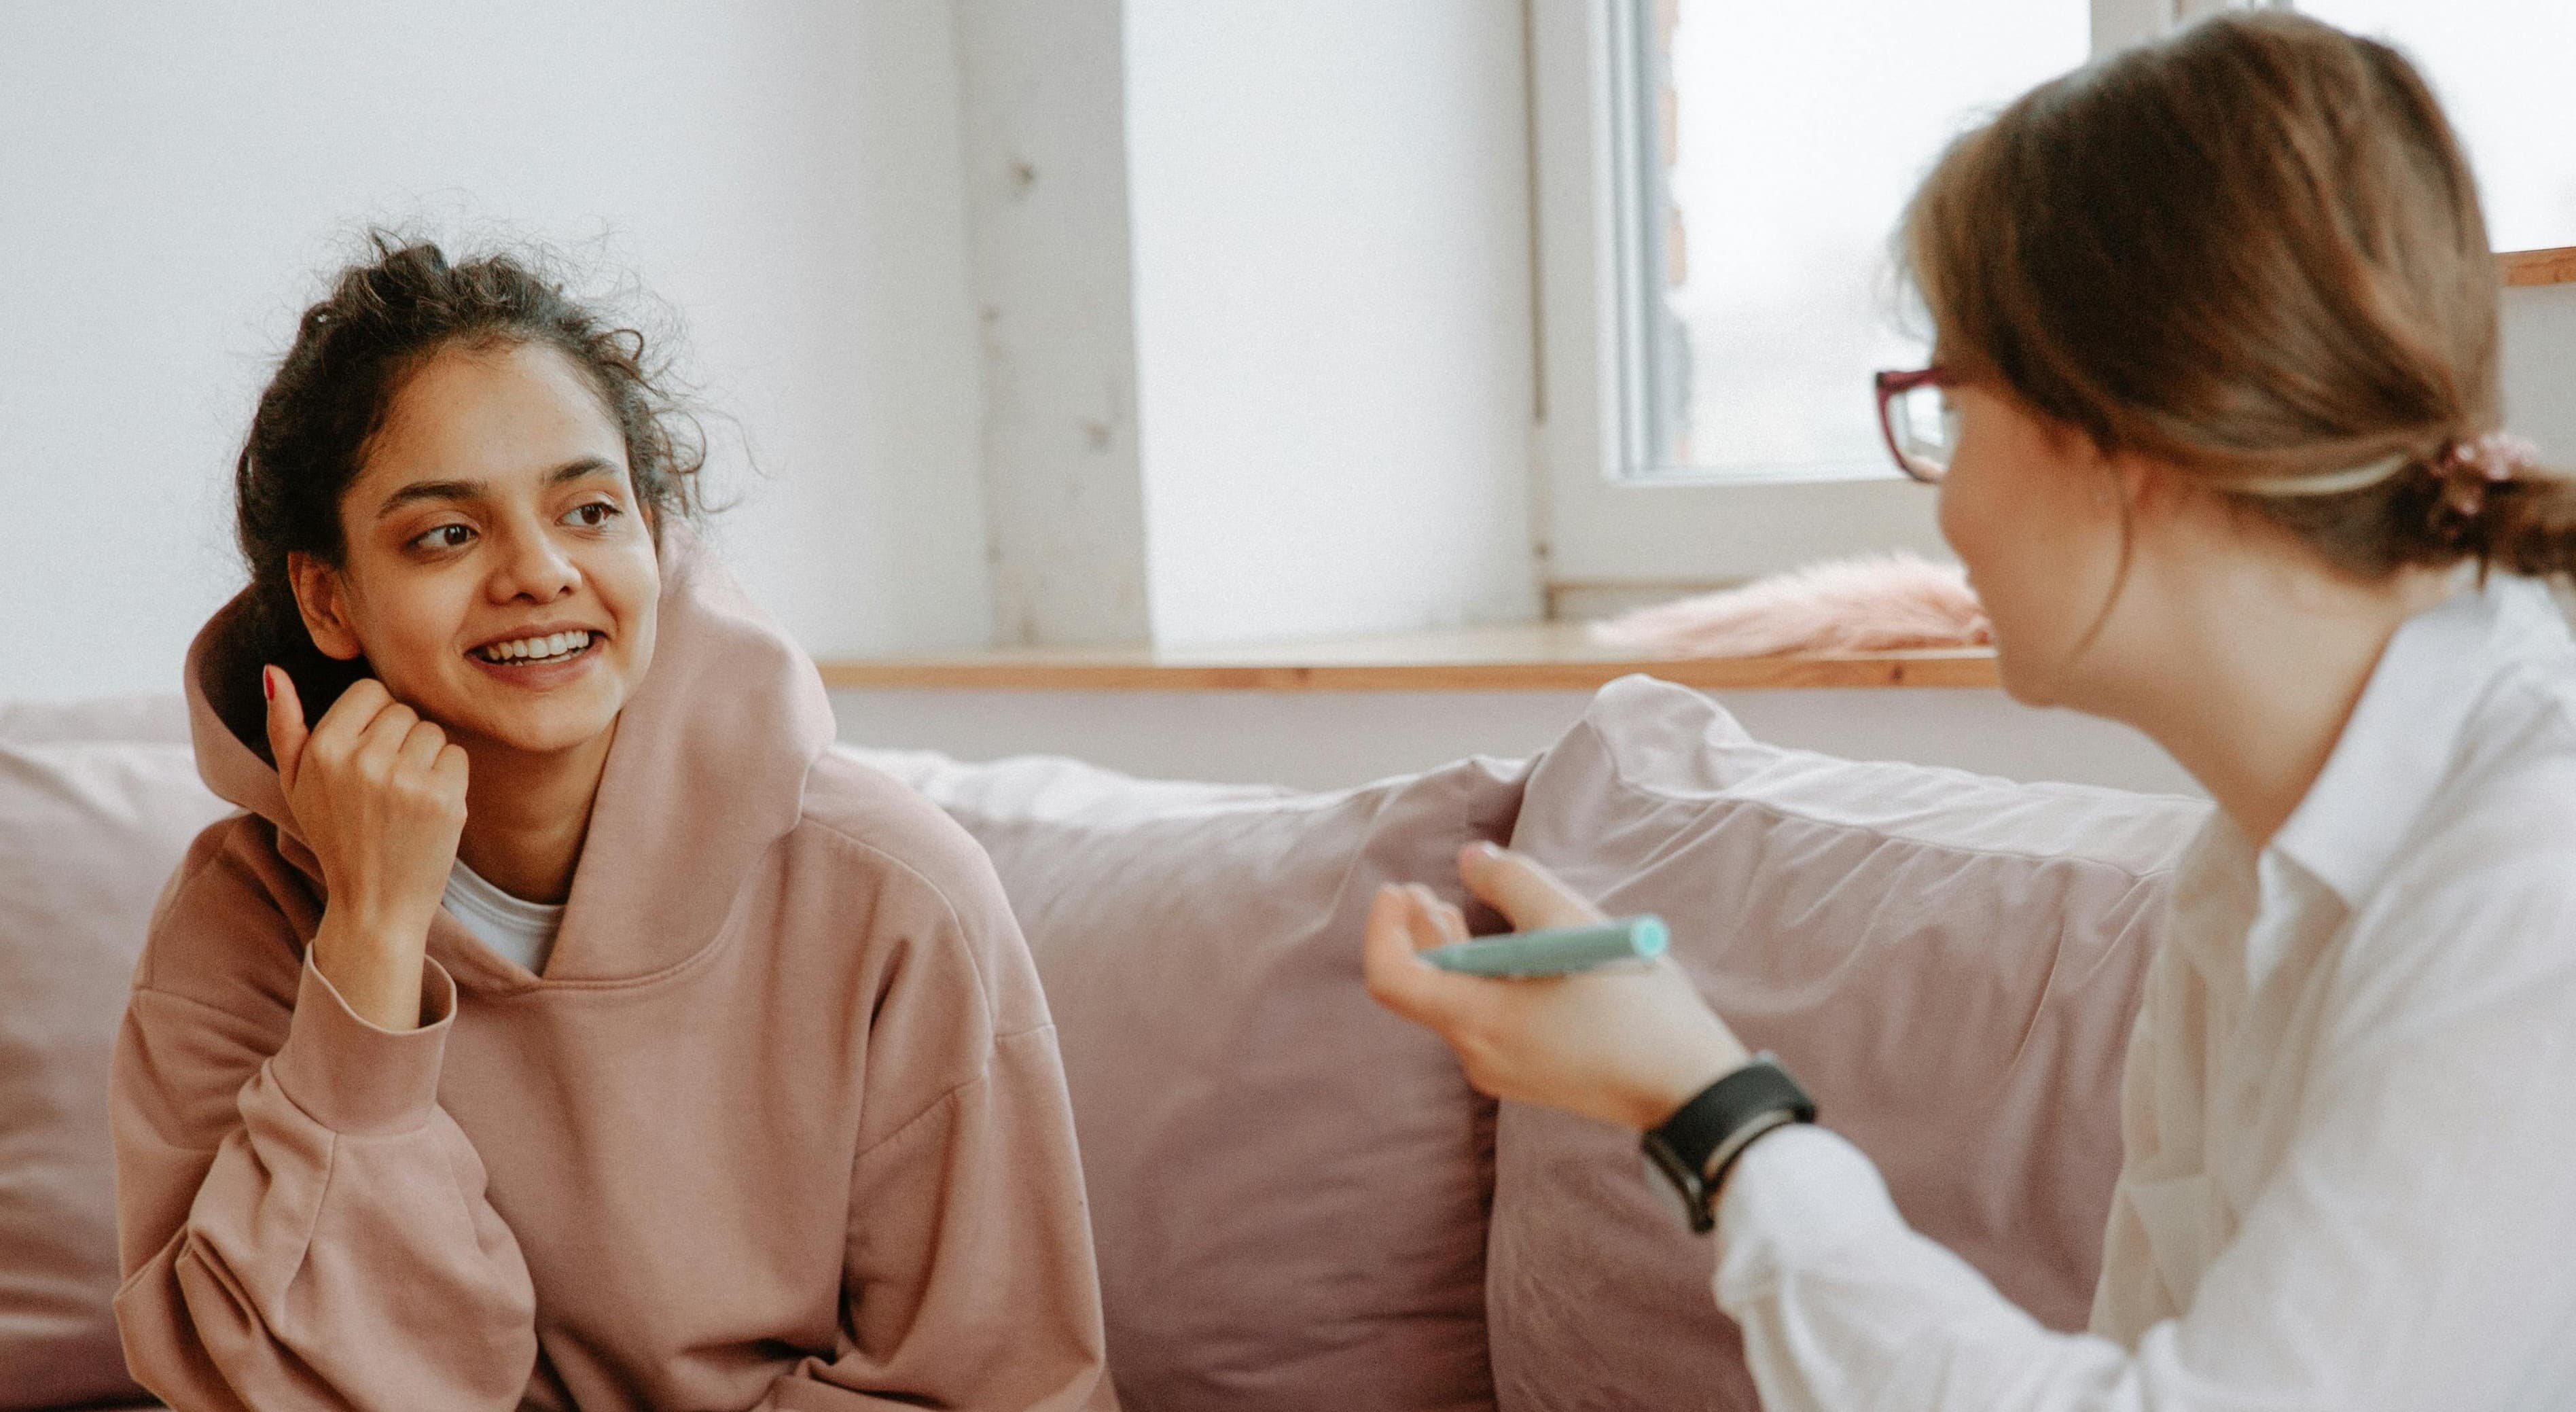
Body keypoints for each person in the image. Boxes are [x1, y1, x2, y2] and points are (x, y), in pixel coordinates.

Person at [1367, 13, 2576, 1410]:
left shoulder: (2526, 883)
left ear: (2129, 431)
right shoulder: (2248, 867)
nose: (1940, 504)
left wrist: (1715, 1110)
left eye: (1946, 400)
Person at [112, 238, 1116, 1411]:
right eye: (446, 533)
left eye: (588, 510)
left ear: (652, 529)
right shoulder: (236, 926)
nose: (539, 572)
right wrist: (371, 945)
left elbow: (996, 1379)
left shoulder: (895, 895)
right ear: (329, 596)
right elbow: (259, 1386)